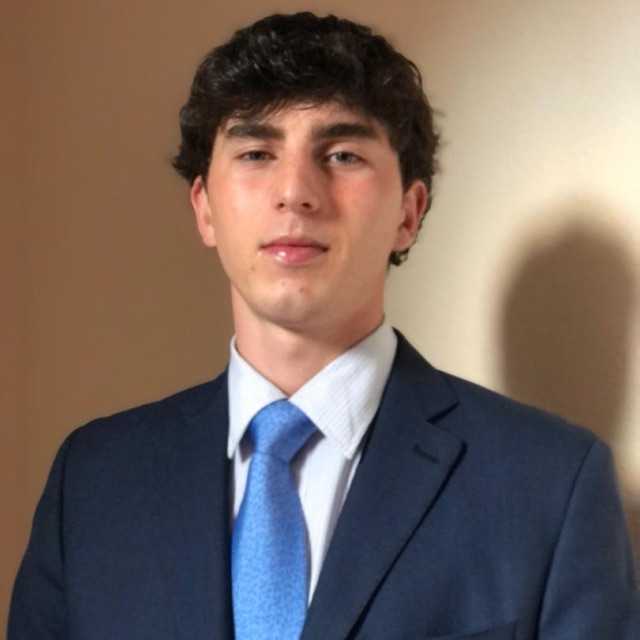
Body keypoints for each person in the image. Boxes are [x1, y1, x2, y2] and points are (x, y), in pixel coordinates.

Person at [9, 12, 639, 640]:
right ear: (204, 209)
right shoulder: (94, 481)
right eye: (256, 153)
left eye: (342, 154)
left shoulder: (551, 486)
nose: (296, 192)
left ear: (409, 213)